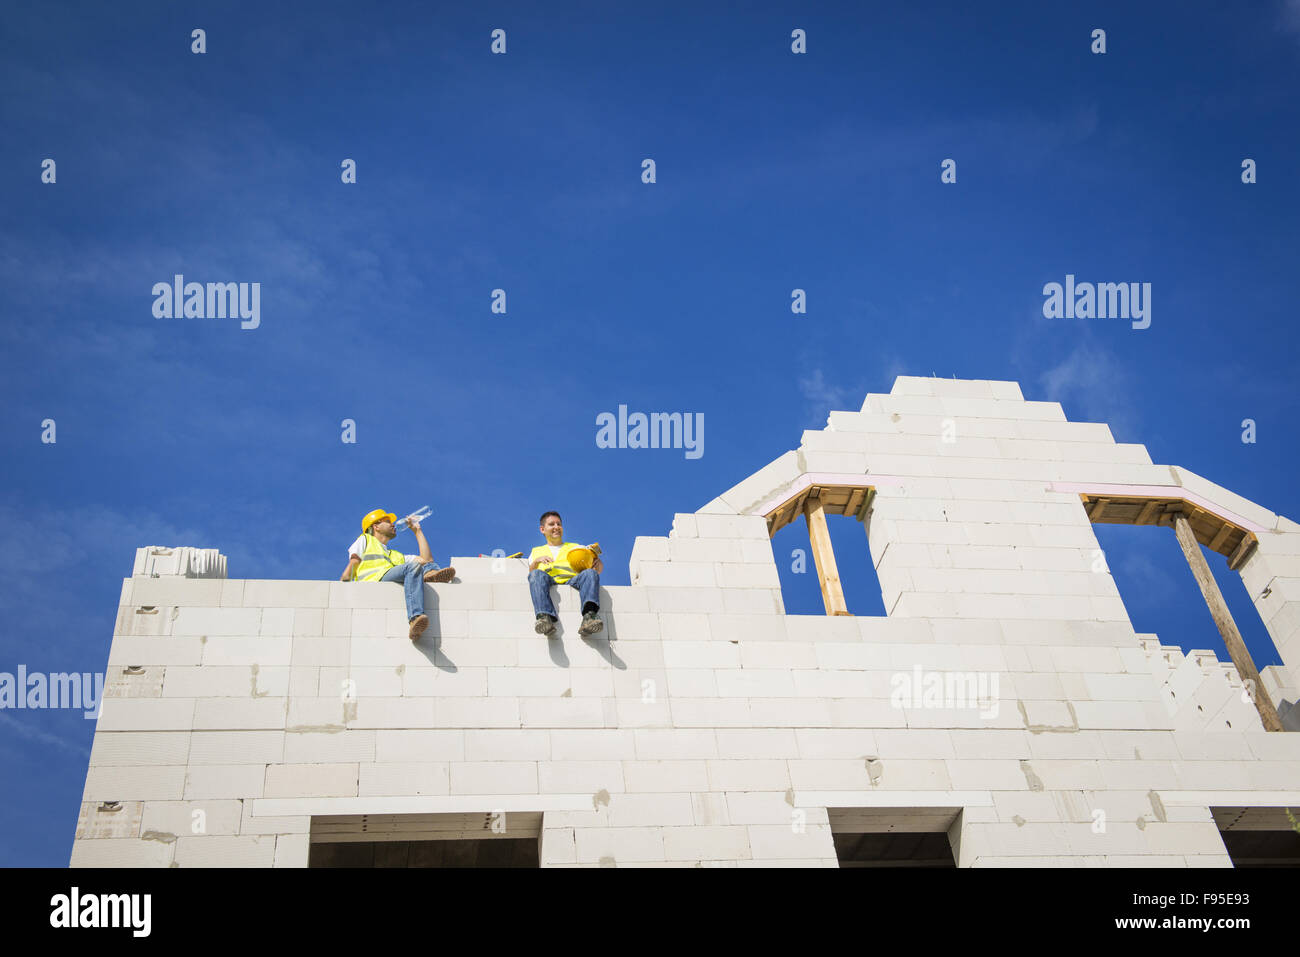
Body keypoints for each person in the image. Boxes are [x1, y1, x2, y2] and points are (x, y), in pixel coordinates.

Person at [342, 508, 456, 641]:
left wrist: (417, 530)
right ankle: (415, 618)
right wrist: (345, 581)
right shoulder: (365, 539)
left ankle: (430, 574)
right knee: (413, 567)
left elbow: (427, 559)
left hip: (391, 576)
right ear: (376, 526)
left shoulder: (395, 555)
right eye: (387, 521)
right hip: (373, 581)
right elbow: (355, 560)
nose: (393, 524)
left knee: (427, 565)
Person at [527, 510, 603, 637]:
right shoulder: (536, 551)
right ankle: (544, 618)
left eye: (559, 524)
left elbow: (596, 572)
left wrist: (597, 562)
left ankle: (589, 616)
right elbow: (531, 575)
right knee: (536, 575)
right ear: (542, 529)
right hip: (549, 580)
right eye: (552, 524)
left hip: (572, 580)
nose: (556, 527)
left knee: (590, 573)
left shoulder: (574, 547)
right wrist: (536, 562)